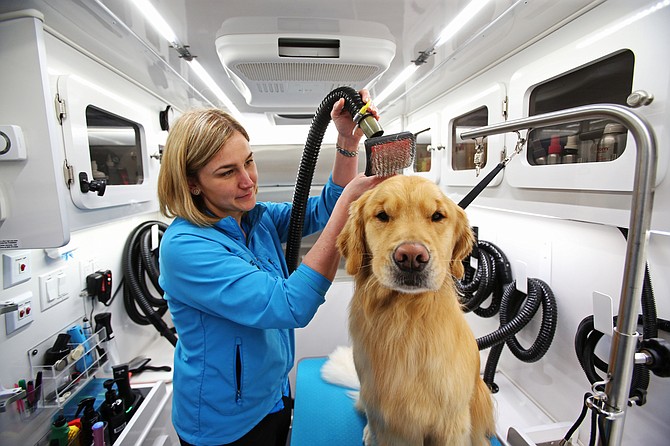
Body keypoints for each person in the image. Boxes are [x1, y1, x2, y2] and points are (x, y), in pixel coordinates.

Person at [157, 90, 384, 446]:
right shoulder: (186, 248)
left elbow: (320, 211)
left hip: (272, 392)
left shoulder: (251, 218)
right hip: (223, 423)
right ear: (191, 183)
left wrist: (346, 141)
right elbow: (290, 305)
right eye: (227, 172)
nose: (248, 181)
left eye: (248, 161)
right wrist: (350, 206)